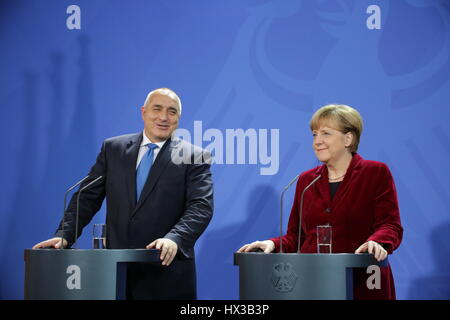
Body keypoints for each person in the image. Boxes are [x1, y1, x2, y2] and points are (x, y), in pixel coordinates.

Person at [33, 88, 214, 300]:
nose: (164, 117)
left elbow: (201, 207)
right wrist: (64, 235)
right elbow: (86, 198)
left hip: (165, 272)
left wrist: (175, 238)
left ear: (179, 118)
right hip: (113, 273)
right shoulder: (114, 149)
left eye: (172, 112)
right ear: (143, 112)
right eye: (157, 109)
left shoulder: (194, 156)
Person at [238, 104, 403, 300]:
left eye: (326, 134)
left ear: (348, 139)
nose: (317, 141)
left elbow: (390, 225)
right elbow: (296, 236)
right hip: (314, 282)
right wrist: (272, 244)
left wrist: (377, 241)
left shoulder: (375, 173)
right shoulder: (306, 180)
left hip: (363, 279)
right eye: (314, 135)